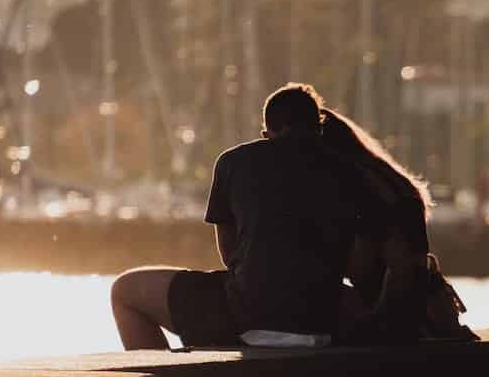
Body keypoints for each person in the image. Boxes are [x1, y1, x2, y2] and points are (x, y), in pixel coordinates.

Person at [111, 83, 390, 350]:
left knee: (125, 291)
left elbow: (229, 253)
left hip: (242, 317)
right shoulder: (351, 172)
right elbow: (359, 264)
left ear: (267, 133)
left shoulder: (233, 162)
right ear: (318, 129)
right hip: (322, 323)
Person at [321, 108, 477, 343]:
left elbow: (393, 265)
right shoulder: (389, 180)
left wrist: (375, 322)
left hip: (401, 318)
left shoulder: (363, 188)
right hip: (423, 312)